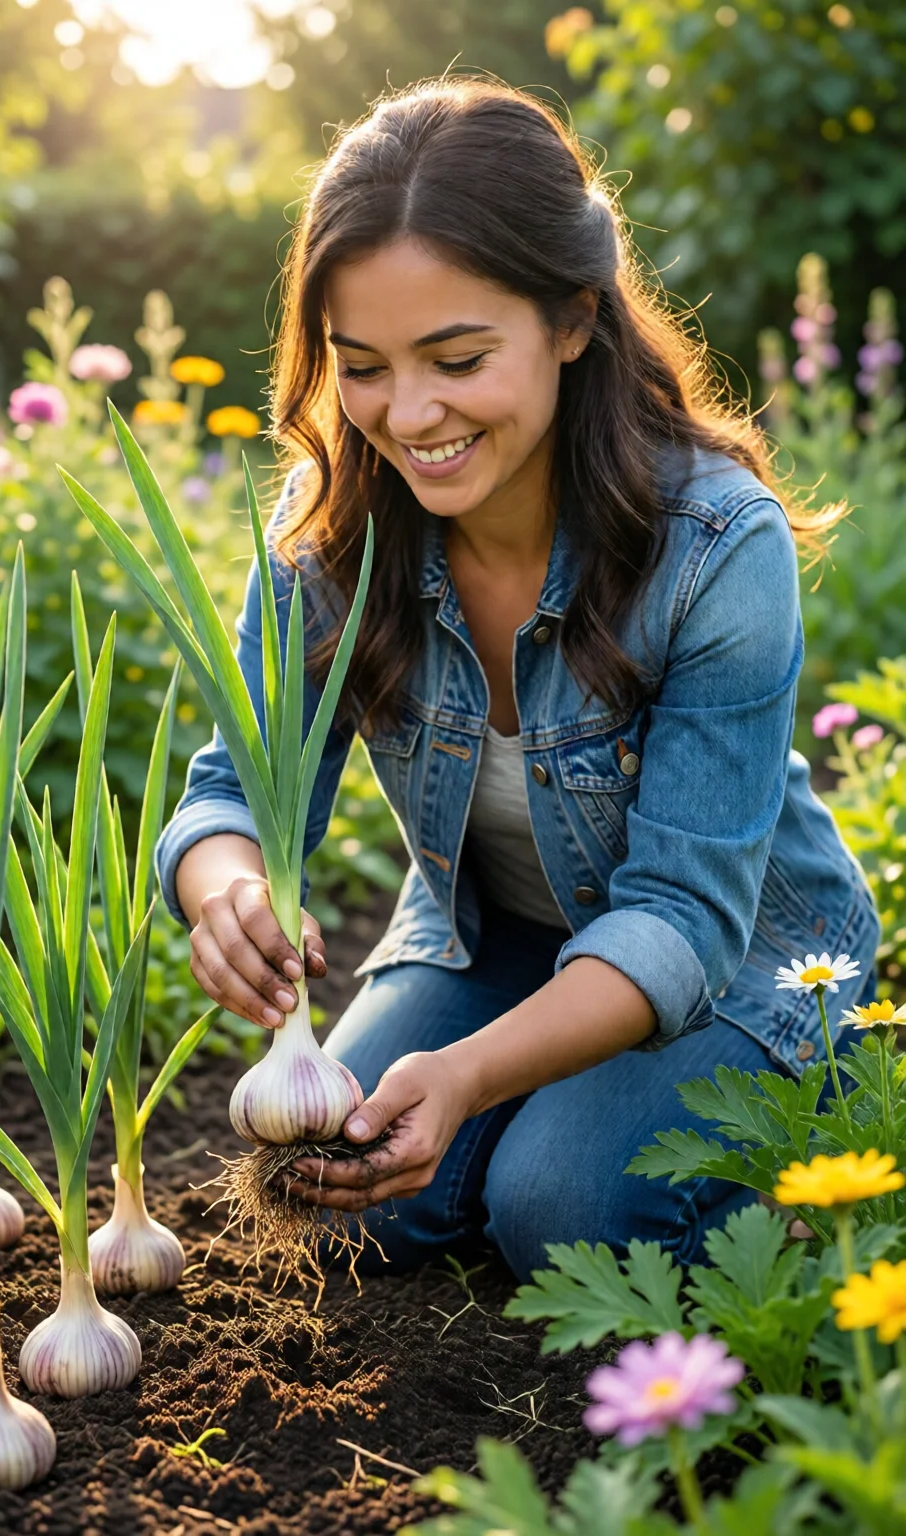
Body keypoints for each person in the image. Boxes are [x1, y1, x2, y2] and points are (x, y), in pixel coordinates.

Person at [156, 79, 880, 1281]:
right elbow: (232, 790)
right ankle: (527, 1134)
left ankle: (818, 1082)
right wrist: (223, 889)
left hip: (741, 952)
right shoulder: (330, 530)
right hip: (492, 935)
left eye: (455, 357)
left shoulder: (712, 546)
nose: (408, 414)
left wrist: (468, 1077)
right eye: (363, 367)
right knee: (346, 1193)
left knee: (565, 1211)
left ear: (573, 319)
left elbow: (683, 918)